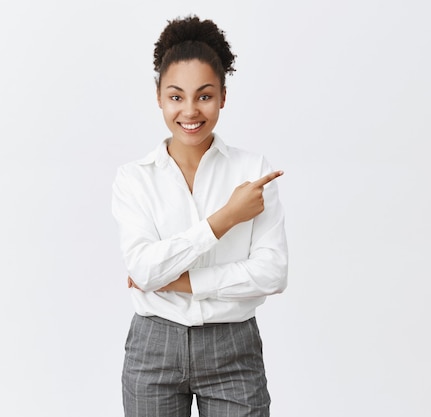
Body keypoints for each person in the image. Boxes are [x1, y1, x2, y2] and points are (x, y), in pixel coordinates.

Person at [111, 14, 288, 417]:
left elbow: (272, 273)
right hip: (153, 346)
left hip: (233, 348)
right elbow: (142, 267)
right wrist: (226, 217)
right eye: (176, 96)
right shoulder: (134, 179)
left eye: (204, 95)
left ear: (223, 96)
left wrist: (179, 281)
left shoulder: (252, 172)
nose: (190, 110)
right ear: (158, 96)